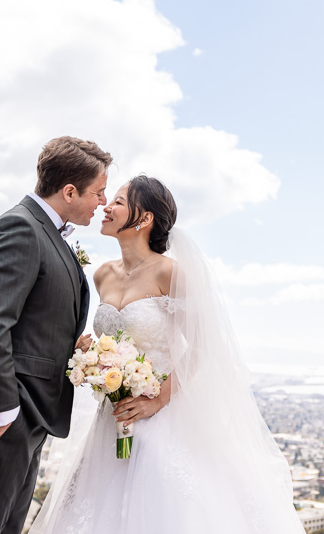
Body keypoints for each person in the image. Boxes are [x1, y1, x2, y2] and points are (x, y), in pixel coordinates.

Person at [31, 175, 304, 533]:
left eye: (118, 201)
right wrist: (91, 351)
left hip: (162, 414)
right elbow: (115, 340)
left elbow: (203, 347)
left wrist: (157, 399)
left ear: (144, 219)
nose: (106, 207)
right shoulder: (102, 275)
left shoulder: (170, 272)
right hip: (113, 415)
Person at [0, 136, 112, 534]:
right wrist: (2, 415)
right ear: (69, 191)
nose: (102, 201)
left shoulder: (49, 234)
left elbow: (35, 325)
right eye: (98, 192)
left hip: (27, 418)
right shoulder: (19, 227)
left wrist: (75, 349)